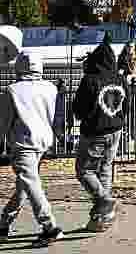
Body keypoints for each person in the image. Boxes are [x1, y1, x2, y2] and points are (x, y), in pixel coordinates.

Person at [0, 26, 64, 246]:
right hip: (43, 141)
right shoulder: (50, 88)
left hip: (22, 144)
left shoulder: (12, 90)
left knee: (30, 184)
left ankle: (49, 226)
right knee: (25, 184)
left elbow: (3, 122)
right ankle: (4, 222)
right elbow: (56, 117)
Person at [73, 32, 128, 232]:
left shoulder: (90, 80)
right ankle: (102, 218)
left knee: (84, 171)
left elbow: (79, 108)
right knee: (105, 169)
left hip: (95, 131)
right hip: (115, 129)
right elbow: (126, 105)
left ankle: (105, 200)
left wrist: (84, 117)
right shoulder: (121, 79)